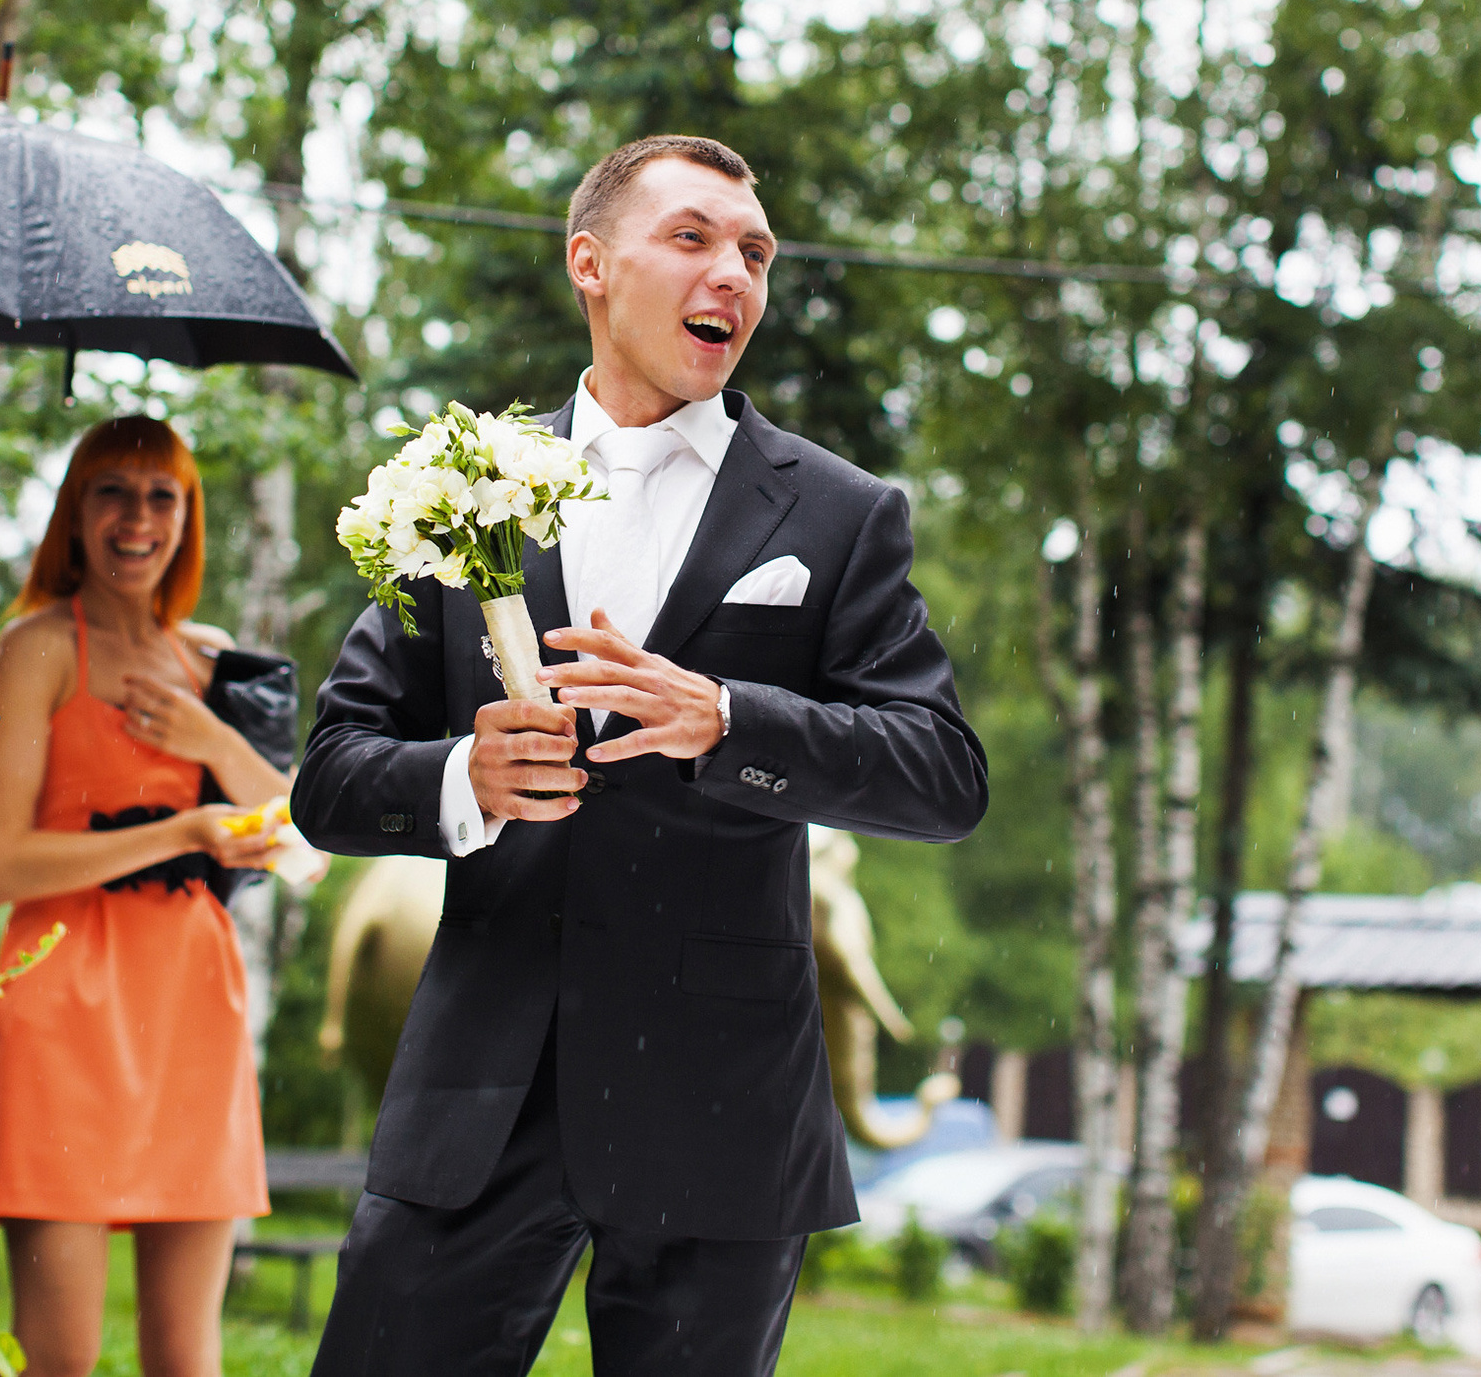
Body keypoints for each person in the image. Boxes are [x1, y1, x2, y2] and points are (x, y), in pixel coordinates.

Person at [293, 135, 990, 1376]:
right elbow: (333, 774)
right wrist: (465, 776)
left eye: (755, 251)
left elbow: (940, 774)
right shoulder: (456, 486)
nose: (734, 270)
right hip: (480, 1084)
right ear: (591, 265)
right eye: (692, 237)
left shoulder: (836, 513)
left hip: (720, 1103)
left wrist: (733, 719)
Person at [0, 414, 326, 1377]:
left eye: (160, 495)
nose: (138, 519)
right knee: (61, 1358)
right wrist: (178, 831)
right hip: (64, 997)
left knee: (186, 1355)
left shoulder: (217, 665)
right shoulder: (35, 649)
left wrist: (212, 742)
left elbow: (303, 850)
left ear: (188, 515)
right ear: (75, 514)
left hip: (191, 1001)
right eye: (112, 493)